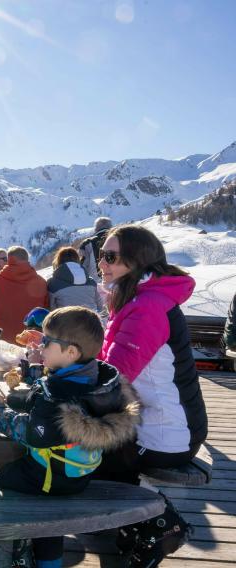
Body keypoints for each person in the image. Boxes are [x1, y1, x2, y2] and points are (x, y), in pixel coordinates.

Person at [0, 306, 140, 568]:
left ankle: (14, 548)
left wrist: (0, 414)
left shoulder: (57, 395)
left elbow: (32, 433)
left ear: (71, 352)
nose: (40, 345)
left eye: (46, 342)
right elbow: (45, 401)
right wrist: (36, 374)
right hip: (78, 474)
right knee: (50, 519)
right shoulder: (98, 379)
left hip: (48, 479)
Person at [96, 225, 207, 566]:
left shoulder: (147, 307)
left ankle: (160, 524)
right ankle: (132, 524)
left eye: (111, 257)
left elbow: (115, 374)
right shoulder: (136, 299)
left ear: (137, 259)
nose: (103, 264)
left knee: (93, 453)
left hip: (167, 433)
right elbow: (107, 363)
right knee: (93, 450)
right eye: (102, 255)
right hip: (156, 420)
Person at [0, 246, 48, 343]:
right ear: (27, 259)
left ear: (9, 259)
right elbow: (46, 311)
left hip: (2, 340)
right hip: (31, 341)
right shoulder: (41, 282)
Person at [47, 246, 103, 312]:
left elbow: (51, 309)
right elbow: (100, 306)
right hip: (92, 320)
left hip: (66, 321)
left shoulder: (52, 284)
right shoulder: (91, 282)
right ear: (77, 260)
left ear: (58, 261)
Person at [79, 216, 112, 282]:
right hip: (118, 284)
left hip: (96, 285)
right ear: (110, 227)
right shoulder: (120, 240)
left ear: (96, 228)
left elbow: (82, 268)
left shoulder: (87, 243)